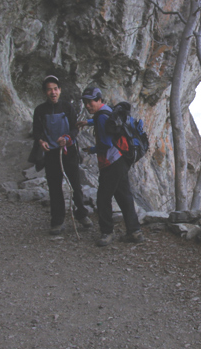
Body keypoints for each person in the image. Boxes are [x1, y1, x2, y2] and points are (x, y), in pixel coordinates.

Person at [77, 87, 145, 247]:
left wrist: (92, 149)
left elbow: (105, 144)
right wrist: (87, 122)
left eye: (91, 101)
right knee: (124, 196)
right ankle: (135, 232)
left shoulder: (101, 116)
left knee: (103, 198)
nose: (88, 105)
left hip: (111, 162)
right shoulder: (107, 111)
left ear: (99, 100)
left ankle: (107, 233)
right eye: (85, 102)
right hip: (121, 159)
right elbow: (104, 120)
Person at [32, 75, 93, 235]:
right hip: (51, 153)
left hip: (69, 151)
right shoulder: (40, 110)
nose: (53, 92)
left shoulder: (67, 107)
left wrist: (67, 138)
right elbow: (37, 130)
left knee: (75, 184)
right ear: (45, 92)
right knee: (54, 187)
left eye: (55, 89)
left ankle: (81, 214)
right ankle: (57, 221)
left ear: (60, 90)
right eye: (49, 89)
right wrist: (40, 141)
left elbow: (74, 128)